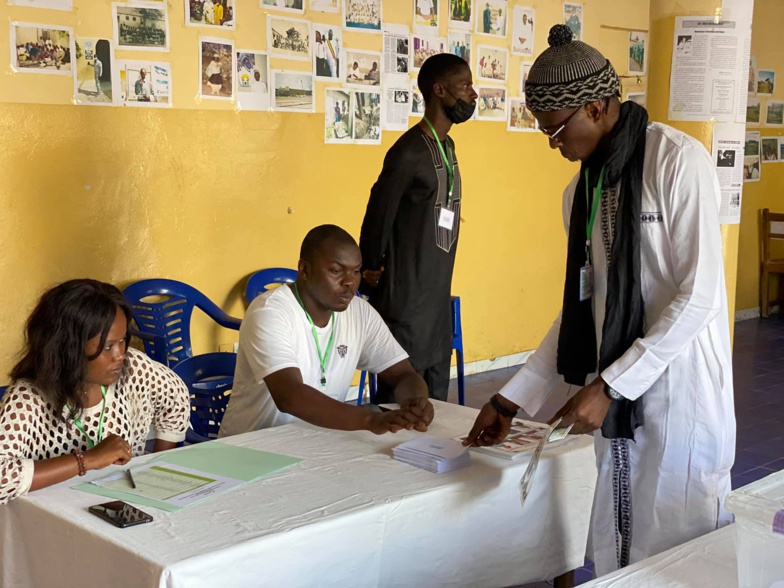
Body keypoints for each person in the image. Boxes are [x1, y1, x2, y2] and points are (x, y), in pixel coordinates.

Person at [465, 25, 735, 575]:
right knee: (618, 537)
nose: (555, 145)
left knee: (680, 545)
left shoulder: (677, 163)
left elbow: (700, 295)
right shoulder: (579, 193)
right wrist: (510, 400)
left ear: (597, 106)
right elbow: (583, 309)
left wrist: (611, 384)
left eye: (557, 129)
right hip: (613, 390)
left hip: (679, 390)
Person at [219, 225, 434, 437]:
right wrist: (369, 420)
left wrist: (415, 404)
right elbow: (289, 396)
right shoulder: (270, 312)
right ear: (304, 269)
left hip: (317, 444)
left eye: (356, 271)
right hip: (250, 450)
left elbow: (404, 375)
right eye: (336, 271)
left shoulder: (360, 313)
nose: (350, 282)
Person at [0, 280, 190, 505]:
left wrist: (154, 465)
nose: (119, 355)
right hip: (57, 519)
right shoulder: (27, 399)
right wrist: (87, 460)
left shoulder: (133, 368)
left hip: (121, 506)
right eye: (108, 347)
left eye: (122, 341)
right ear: (69, 348)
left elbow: (176, 397)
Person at [358, 54, 477, 405]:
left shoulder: (449, 147)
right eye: (465, 86)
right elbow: (378, 212)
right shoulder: (408, 152)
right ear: (439, 91)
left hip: (437, 300)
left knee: (436, 401)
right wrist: (370, 267)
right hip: (404, 301)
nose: (472, 94)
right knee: (401, 402)